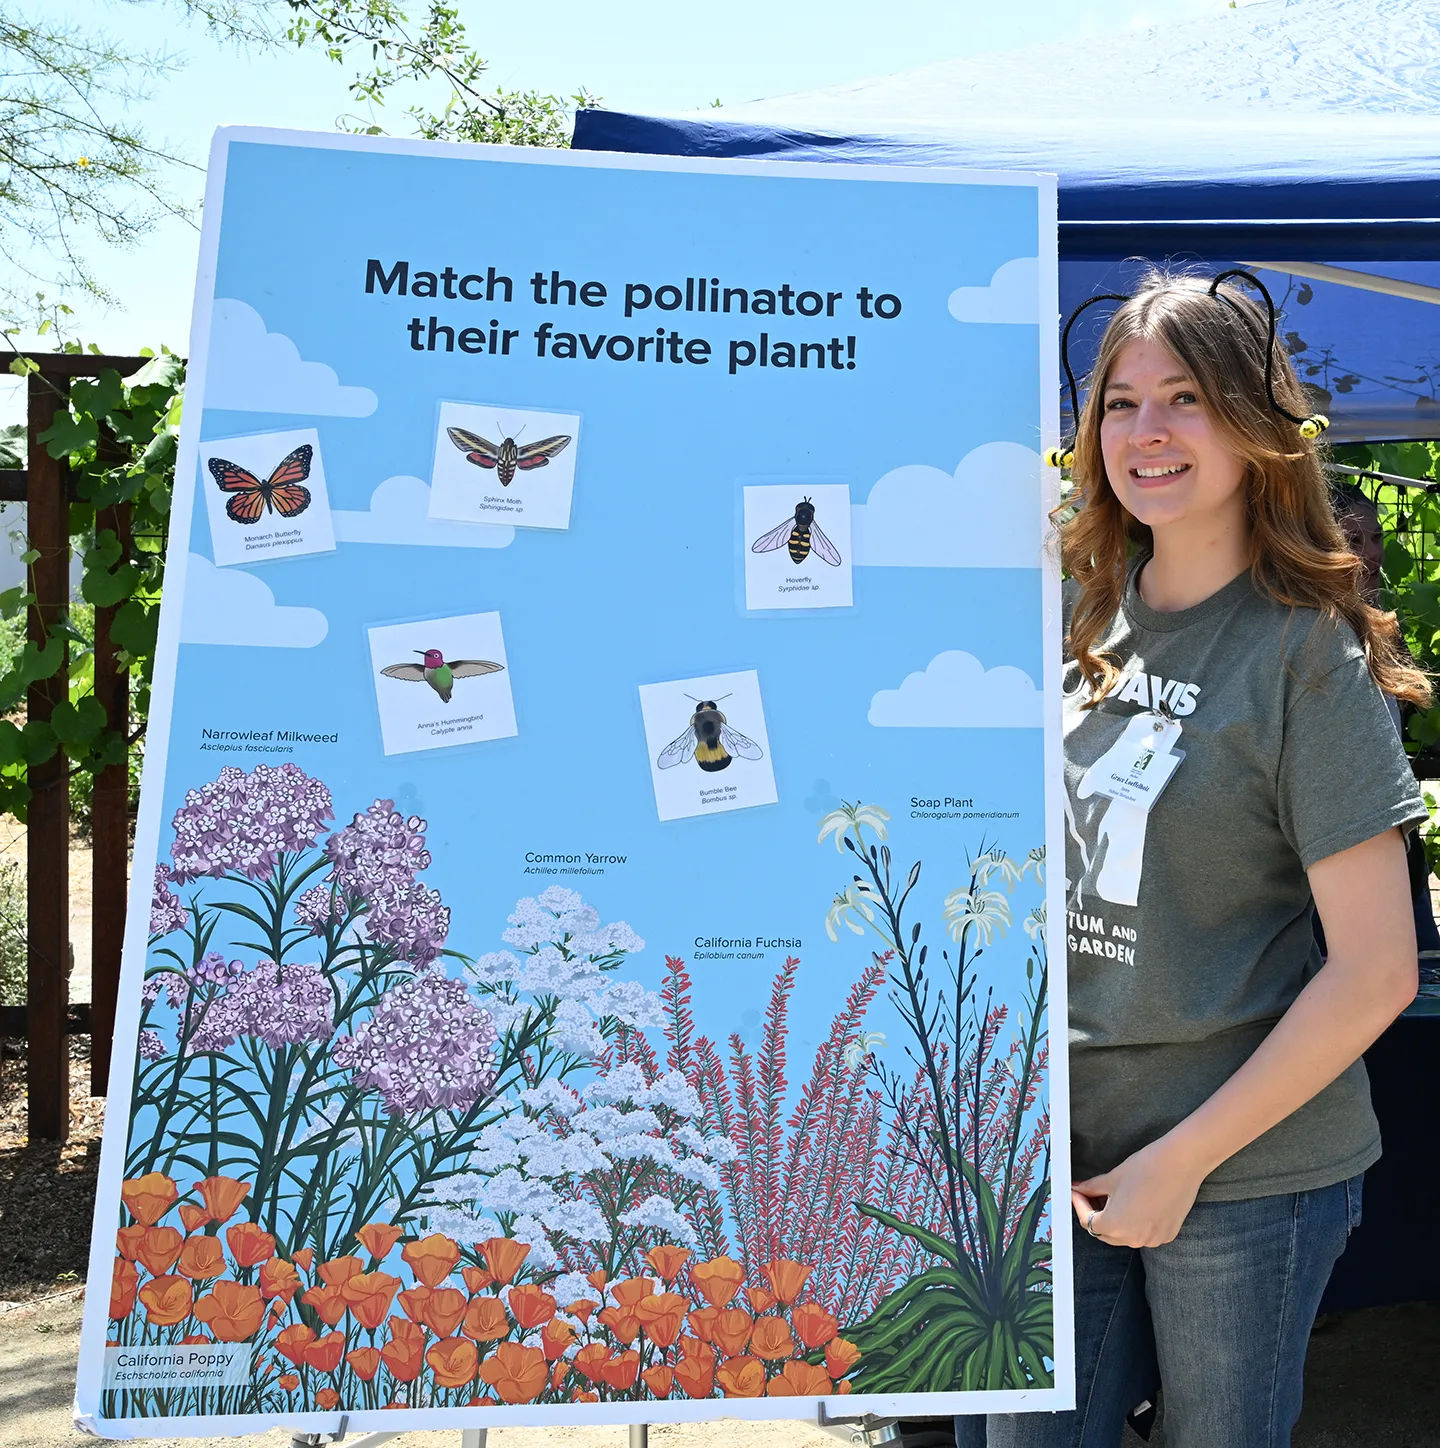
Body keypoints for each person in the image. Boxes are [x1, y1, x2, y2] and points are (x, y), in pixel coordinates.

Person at [978, 272, 1429, 1448]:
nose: (1148, 431)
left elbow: (1377, 969)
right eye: (1120, 404)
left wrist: (1180, 1161)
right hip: (1058, 1155)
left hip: (1242, 1171)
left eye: (1185, 397)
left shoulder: (1303, 655)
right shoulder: (1081, 622)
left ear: (1253, 426)